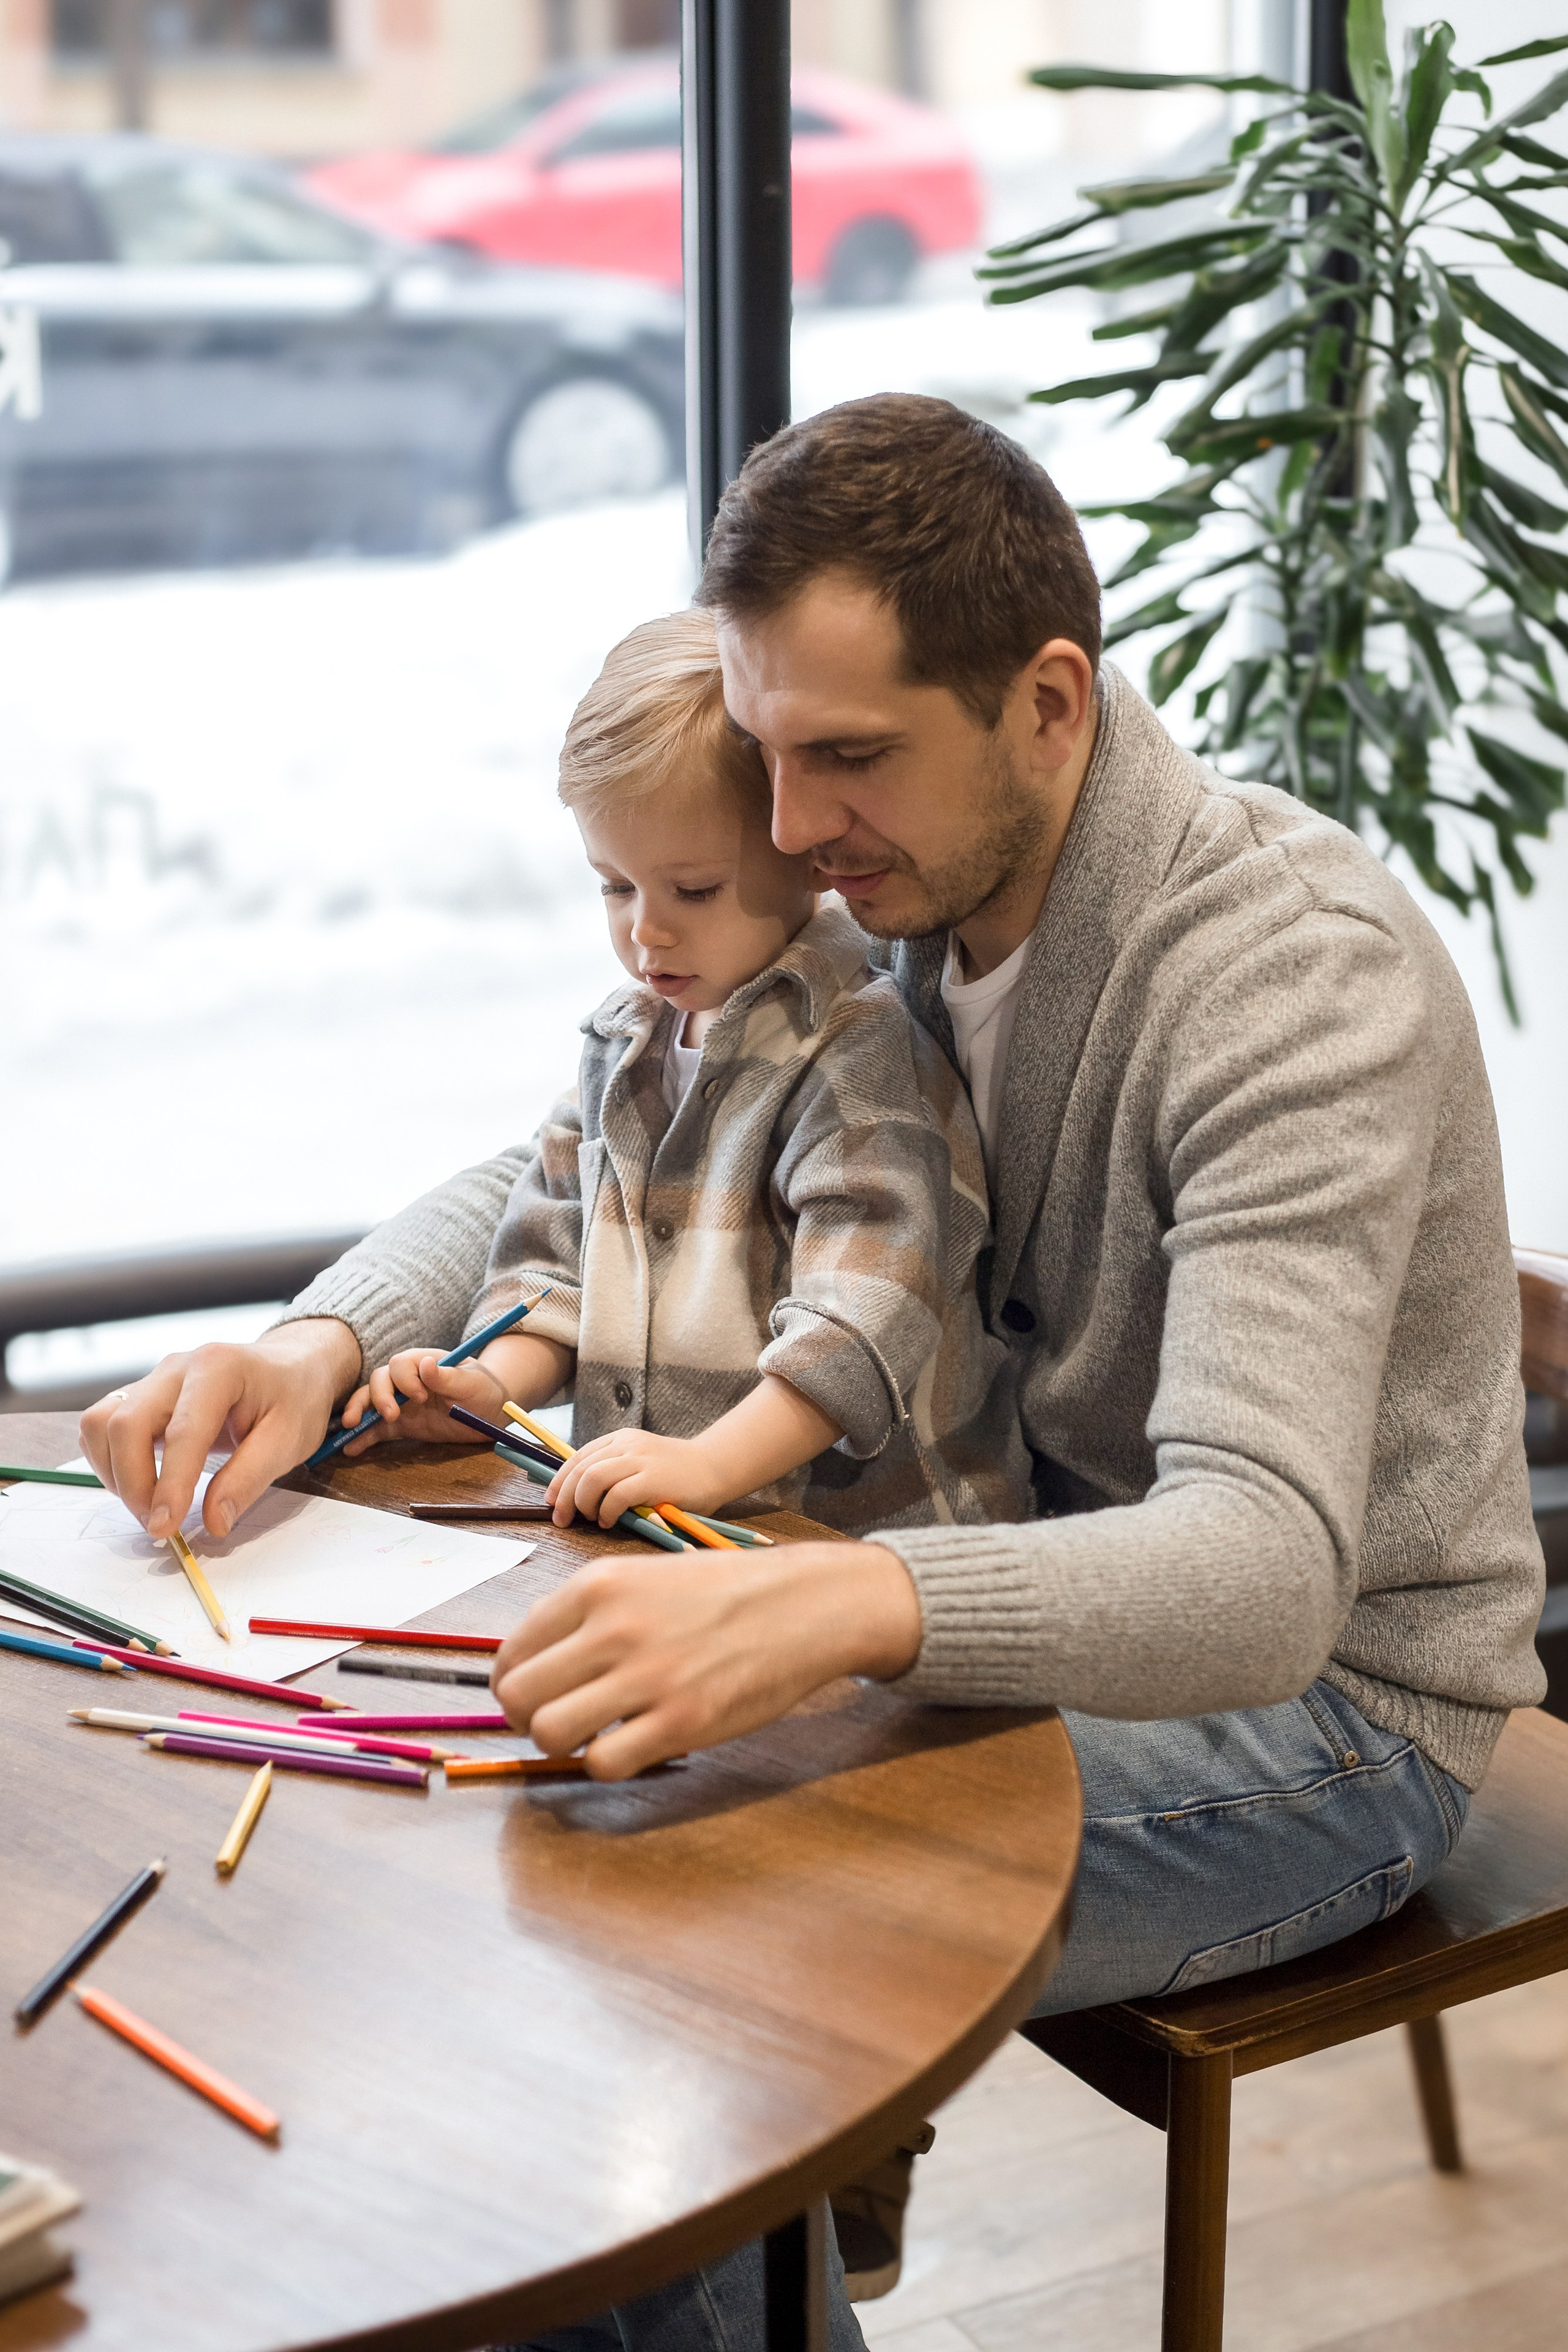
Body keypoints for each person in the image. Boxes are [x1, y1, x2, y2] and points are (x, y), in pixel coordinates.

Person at [82, 394, 1546, 2350]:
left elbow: (1265, 1576)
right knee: (534, 1875)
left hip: (1331, 1715)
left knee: (649, 1950)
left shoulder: (1288, 977)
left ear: (1048, 701)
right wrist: (327, 1334)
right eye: (770, 758)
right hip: (1013, 1607)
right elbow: (595, 1148)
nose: (783, 835)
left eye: (845, 759)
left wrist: (840, 1609)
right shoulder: (909, 892)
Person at [316, 606, 1027, 1537]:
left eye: (693, 891)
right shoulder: (621, 1044)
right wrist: (489, 1390)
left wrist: (706, 1463)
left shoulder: (859, 1055)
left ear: (806, 856)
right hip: (676, 1538)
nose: (645, 930)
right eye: (615, 885)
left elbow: (862, 1323)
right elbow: (552, 1268)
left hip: (865, 1557)